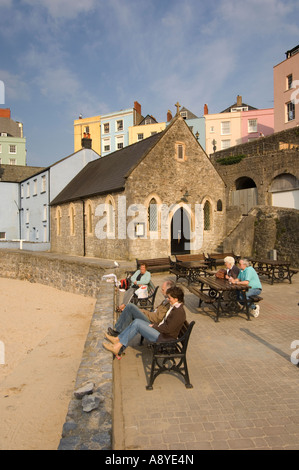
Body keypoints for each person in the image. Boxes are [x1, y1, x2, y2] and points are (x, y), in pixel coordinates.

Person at [103, 286, 186, 358]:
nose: (168, 299)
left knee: (138, 324)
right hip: (162, 332)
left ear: (176, 299)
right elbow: (166, 325)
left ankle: (117, 346)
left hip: (164, 338)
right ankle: (118, 340)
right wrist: (155, 325)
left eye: (170, 298)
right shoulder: (175, 308)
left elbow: (168, 329)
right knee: (137, 321)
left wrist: (154, 326)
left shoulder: (178, 312)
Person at [108, 280, 175, 336]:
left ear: (169, 291)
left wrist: (144, 312)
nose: (161, 291)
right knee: (130, 307)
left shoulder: (169, 303)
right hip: (151, 317)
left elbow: (157, 318)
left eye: (163, 290)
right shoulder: (166, 300)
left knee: (130, 307)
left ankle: (118, 331)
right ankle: (118, 330)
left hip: (152, 322)